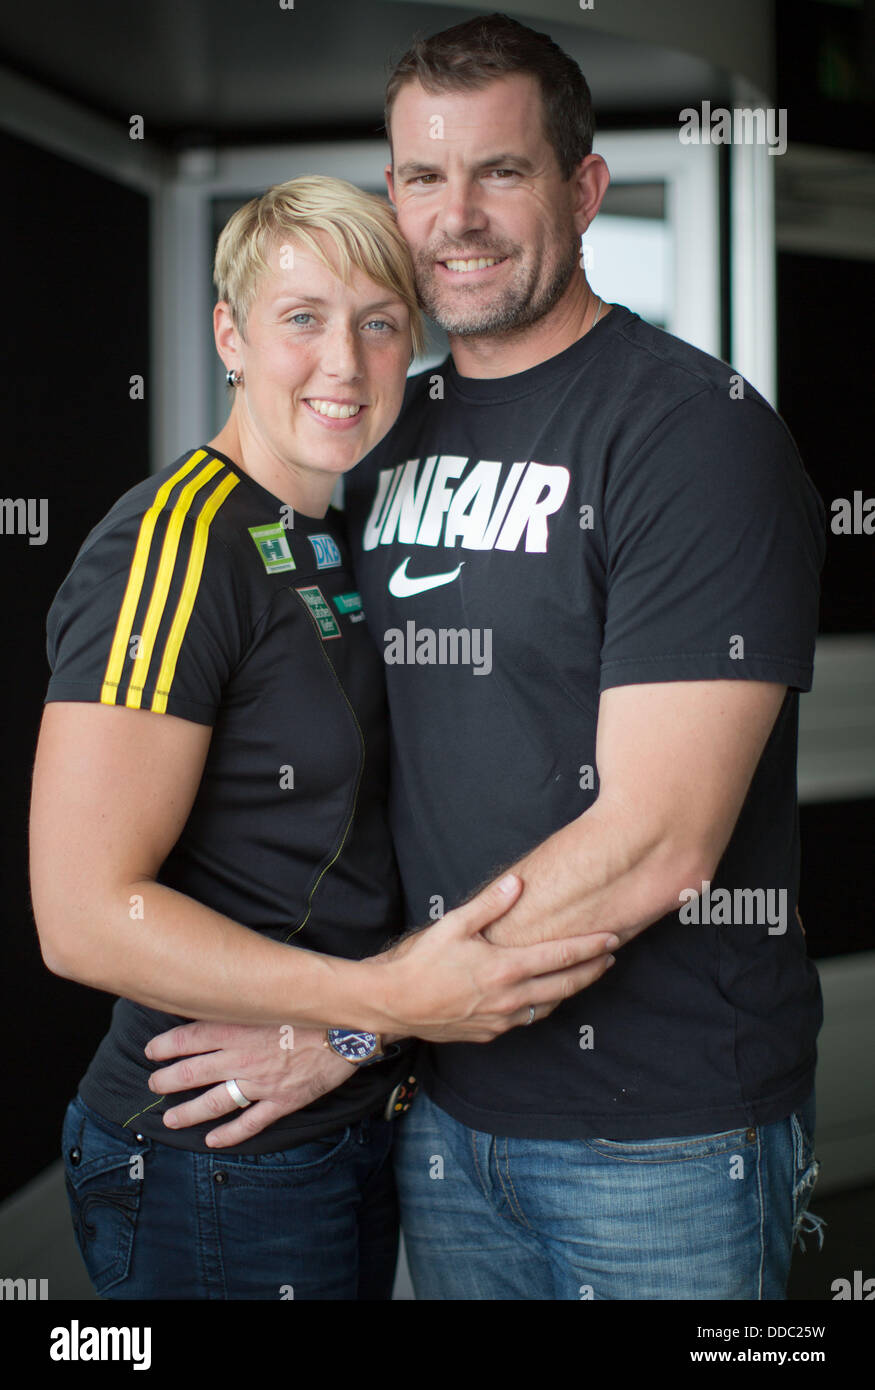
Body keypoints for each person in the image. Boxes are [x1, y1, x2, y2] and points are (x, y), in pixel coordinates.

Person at [143, 15, 826, 1300]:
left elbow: (658, 838)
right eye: (420, 176)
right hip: (441, 1115)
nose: (454, 216)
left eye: (499, 172)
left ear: (580, 188)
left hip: (661, 1136)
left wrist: (350, 1020)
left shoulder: (690, 435)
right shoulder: (385, 430)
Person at [28, 172, 618, 1301]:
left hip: (338, 1122)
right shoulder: (174, 546)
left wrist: (349, 1040)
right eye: (302, 318)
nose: (343, 364)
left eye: (379, 323)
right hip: (213, 1153)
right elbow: (82, 914)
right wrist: (387, 1007)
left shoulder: (337, 534)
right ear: (230, 336)